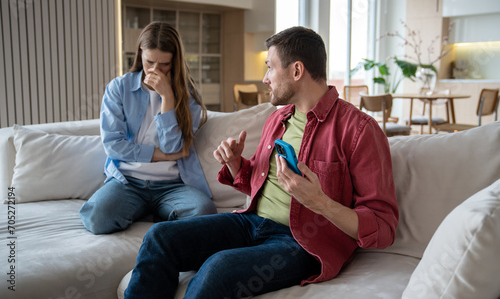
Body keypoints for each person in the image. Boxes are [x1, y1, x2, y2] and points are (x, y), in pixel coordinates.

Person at [124, 26, 399, 298]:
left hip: (301, 243)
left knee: (218, 269)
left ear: (297, 71)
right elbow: (256, 182)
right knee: (159, 237)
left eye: (270, 67)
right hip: (252, 223)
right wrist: (235, 164)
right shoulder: (278, 119)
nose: (265, 78)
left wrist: (320, 202)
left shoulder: (359, 130)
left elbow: (383, 227)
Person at [79, 22, 217, 235]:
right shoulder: (119, 88)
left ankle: (155, 210)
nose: (155, 70)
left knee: (204, 211)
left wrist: (167, 97)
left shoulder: (188, 96)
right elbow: (114, 146)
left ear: (175, 62)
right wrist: (160, 156)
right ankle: (143, 208)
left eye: (164, 64)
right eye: (149, 62)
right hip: (128, 181)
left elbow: (174, 147)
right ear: (140, 54)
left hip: (172, 185)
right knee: (98, 216)